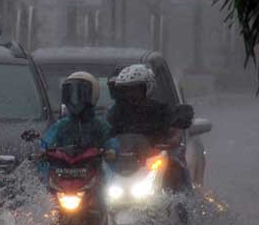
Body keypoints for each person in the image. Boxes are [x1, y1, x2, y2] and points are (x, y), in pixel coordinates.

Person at [107, 64, 191, 192]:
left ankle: (183, 206)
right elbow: (105, 132)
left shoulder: (160, 110)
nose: (130, 95)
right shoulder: (116, 113)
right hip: (123, 164)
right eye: (126, 90)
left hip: (154, 161)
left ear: (147, 88)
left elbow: (175, 130)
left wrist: (172, 138)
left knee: (176, 172)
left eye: (135, 90)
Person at [41, 71, 117, 155]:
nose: (75, 101)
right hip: (63, 166)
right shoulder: (61, 125)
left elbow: (112, 142)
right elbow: (46, 142)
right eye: (69, 94)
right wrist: (43, 151)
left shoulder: (100, 126)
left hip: (95, 165)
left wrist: (111, 151)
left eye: (81, 94)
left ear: (93, 94)